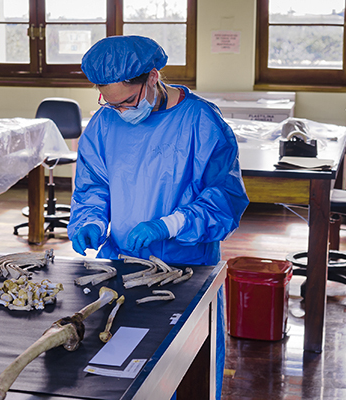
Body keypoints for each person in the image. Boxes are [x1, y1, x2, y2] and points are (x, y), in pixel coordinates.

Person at [68, 35, 250, 399]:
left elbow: (223, 198)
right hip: (119, 264)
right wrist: (89, 220)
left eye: (128, 102)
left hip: (185, 268)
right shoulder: (105, 123)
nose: (120, 111)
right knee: (115, 375)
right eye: (109, 101)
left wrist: (167, 225)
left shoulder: (201, 122)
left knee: (183, 372)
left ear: (153, 77)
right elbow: (94, 187)